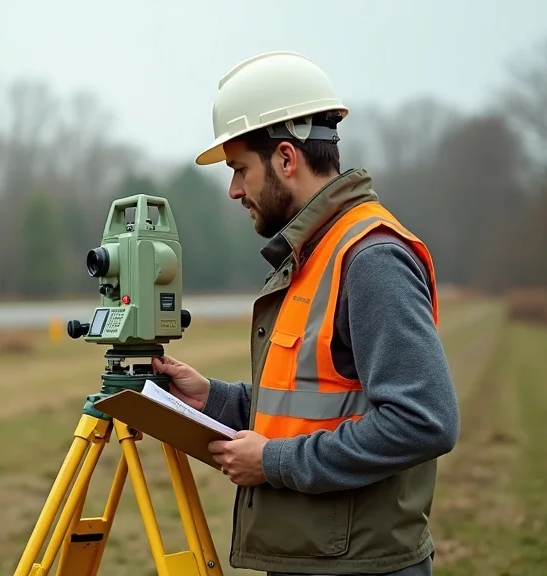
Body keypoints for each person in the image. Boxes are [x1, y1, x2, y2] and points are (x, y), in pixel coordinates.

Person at [151, 52, 461, 575]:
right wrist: (215, 400)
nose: (233, 191)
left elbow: (424, 420)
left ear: (287, 159)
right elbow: (319, 405)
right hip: (316, 558)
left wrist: (272, 462)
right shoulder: (315, 253)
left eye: (239, 169)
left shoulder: (369, 258)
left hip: (360, 565)